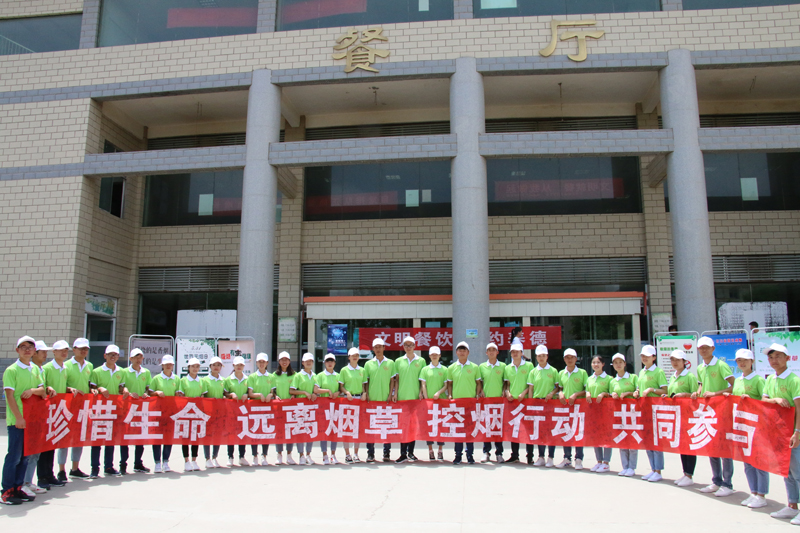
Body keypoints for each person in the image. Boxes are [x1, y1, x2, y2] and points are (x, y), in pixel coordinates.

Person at [1, 336, 45, 506]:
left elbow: (42, 391)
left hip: (31, 420)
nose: (27, 350)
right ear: (17, 350)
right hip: (17, 421)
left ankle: (18, 488)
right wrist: (18, 417)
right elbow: (10, 396)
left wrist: (33, 390)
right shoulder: (12, 370)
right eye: (23, 347)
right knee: (14, 457)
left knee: (25, 457)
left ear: (34, 351)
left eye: (30, 347)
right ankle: (7, 491)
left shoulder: (35, 369)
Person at [724, 348, 768, 508]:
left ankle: (762, 495)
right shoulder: (738, 380)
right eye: (739, 361)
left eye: (745, 360)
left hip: (757, 426)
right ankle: (753, 492)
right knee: (747, 461)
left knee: (759, 462)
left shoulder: (758, 380)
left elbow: (765, 402)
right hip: (743, 426)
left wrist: (752, 400)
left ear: (752, 361)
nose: (742, 363)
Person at [762, 343, 800, 525]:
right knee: (787, 472)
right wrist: (775, 399)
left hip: (794, 434)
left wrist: (797, 432)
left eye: (778, 356)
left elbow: (799, 408)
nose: (774, 360)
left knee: (798, 472)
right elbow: (764, 400)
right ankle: (792, 505)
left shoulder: (794, 380)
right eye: (771, 357)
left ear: (787, 358)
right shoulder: (770, 379)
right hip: (780, 434)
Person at [693, 336, 735, 496]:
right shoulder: (700, 367)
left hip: (722, 411)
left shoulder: (721, 365)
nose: (703, 350)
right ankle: (716, 481)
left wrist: (715, 394)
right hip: (707, 412)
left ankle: (727, 484)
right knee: (712, 447)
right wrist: (697, 392)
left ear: (713, 349)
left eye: (706, 347)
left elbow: (734, 385)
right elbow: (701, 384)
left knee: (724, 448)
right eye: (701, 348)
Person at [88, 344, 127, 478]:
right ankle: (94, 468)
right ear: (105, 356)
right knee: (97, 440)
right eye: (110, 354)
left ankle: (109, 466)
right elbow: (92, 388)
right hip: (99, 409)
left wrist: (125, 390)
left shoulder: (121, 372)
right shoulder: (96, 371)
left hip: (114, 409)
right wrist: (100, 389)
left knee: (110, 439)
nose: (113, 357)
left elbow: (121, 388)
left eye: (115, 355)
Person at [37, 340, 69, 488]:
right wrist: (48, 388)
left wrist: (69, 389)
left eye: (66, 350)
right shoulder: (47, 368)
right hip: (46, 412)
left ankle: (50, 474)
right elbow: (42, 387)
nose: (64, 353)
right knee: (44, 446)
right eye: (61, 350)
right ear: (54, 352)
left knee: (52, 445)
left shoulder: (65, 368)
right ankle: (42, 477)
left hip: (58, 412)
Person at [664, 349, 698, 487]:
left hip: (688, 415)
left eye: (678, 360)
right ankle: (685, 473)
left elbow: (695, 395)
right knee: (682, 444)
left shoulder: (690, 376)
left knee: (689, 444)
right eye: (673, 360)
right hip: (677, 415)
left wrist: (684, 395)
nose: (675, 362)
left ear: (684, 362)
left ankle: (690, 474)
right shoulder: (673, 376)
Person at [61, 337, 93, 479]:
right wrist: (69, 389)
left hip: (82, 407)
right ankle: (61, 470)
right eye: (81, 349)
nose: (83, 351)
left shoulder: (89, 366)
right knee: (64, 439)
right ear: (74, 350)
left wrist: (92, 390)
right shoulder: (66, 365)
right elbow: (62, 385)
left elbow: (89, 383)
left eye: (86, 349)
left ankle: (75, 468)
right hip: (67, 407)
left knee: (79, 439)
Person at [21, 340, 49, 496]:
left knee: (35, 452)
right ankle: (21, 483)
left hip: (39, 416)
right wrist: (36, 390)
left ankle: (28, 482)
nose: (45, 355)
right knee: (25, 452)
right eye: (42, 352)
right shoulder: (24, 369)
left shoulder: (40, 370)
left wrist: (36, 390)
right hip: (26, 416)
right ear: (35, 353)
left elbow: (42, 391)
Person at [634, 345, 667, 482]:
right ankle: (653, 469)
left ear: (654, 357)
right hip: (644, 409)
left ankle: (658, 470)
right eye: (642, 356)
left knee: (656, 440)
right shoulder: (642, 372)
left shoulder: (658, 372)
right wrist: (637, 392)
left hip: (655, 410)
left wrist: (652, 390)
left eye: (647, 356)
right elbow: (639, 388)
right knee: (648, 440)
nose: (644, 358)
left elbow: (664, 390)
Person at [447, 341, 483, 465]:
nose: (462, 352)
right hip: (457, 404)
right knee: (458, 431)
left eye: (464, 350)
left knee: (470, 430)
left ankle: (470, 455)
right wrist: (450, 395)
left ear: (468, 352)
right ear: (456, 352)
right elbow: (449, 384)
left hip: (470, 403)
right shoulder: (451, 368)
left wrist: (477, 395)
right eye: (460, 350)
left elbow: (478, 383)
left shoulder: (474, 367)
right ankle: (458, 455)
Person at [393, 336, 426, 463]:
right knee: (403, 427)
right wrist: (395, 393)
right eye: (406, 345)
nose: (408, 347)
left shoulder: (421, 361)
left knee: (413, 427)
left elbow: (422, 380)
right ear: (403, 347)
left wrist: (421, 392)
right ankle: (403, 454)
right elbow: (396, 380)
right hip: (402, 398)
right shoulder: (398, 361)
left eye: (410, 345)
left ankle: (411, 452)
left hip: (415, 399)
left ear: (414, 346)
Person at [364, 337, 396, 463]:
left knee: (386, 427)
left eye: (380, 347)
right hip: (372, 400)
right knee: (371, 428)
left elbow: (393, 380)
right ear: (373, 349)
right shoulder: (368, 364)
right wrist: (366, 393)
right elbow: (366, 381)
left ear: (384, 348)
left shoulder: (390, 363)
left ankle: (386, 452)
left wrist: (391, 394)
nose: (378, 349)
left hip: (386, 400)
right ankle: (370, 453)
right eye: (375, 347)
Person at [525, 344, 558, 466]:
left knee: (550, 431)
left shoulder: (553, 371)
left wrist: (552, 393)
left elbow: (558, 387)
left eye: (543, 355)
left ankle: (551, 457)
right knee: (539, 431)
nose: (541, 358)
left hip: (549, 403)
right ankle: (541, 456)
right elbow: (531, 389)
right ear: (536, 357)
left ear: (547, 356)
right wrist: (530, 405)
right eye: (539, 356)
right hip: (537, 404)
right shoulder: (533, 372)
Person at [120, 348, 150, 474]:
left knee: (140, 437)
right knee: (125, 437)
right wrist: (127, 392)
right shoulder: (124, 372)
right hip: (127, 408)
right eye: (136, 357)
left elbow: (148, 388)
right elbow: (121, 387)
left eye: (140, 357)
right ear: (130, 359)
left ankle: (138, 463)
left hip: (141, 408)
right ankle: (123, 464)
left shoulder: (146, 372)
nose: (138, 360)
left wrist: (146, 394)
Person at [556, 348, 587, 470]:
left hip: (579, 408)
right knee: (566, 432)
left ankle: (579, 458)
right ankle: (567, 458)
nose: (569, 360)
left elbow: (586, 390)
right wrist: (560, 393)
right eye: (567, 358)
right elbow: (560, 388)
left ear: (576, 359)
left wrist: (576, 394)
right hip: (565, 408)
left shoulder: (582, 373)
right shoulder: (561, 373)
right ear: (564, 359)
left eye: (572, 357)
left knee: (578, 433)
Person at [503, 342, 533, 463]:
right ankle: (514, 455)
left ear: (522, 353)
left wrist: (524, 393)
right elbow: (507, 384)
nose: (515, 354)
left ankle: (530, 455)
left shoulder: (529, 366)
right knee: (514, 428)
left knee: (528, 429)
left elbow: (531, 384)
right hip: (513, 403)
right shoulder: (507, 368)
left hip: (525, 401)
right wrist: (507, 392)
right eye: (513, 352)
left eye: (517, 352)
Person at [150, 354, 180, 473]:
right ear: (162, 365)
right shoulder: (156, 378)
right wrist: (156, 392)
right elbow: (150, 393)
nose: (168, 366)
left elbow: (178, 394)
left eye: (170, 364)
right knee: (157, 438)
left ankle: (166, 461)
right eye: (166, 364)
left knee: (168, 437)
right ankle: (157, 462)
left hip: (171, 412)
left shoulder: (176, 379)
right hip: (158, 412)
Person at [609, 353, 637, 477]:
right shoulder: (612, 381)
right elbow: (610, 394)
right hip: (619, 414)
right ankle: (625, 466)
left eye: (620, 362)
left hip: (632, 413)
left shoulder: (633, 377)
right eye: (615, 363)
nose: (618, 365)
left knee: (633, 439)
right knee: (622, 439)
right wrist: (613, 395)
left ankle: (632, 467)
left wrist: (629, 393)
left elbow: (637, 392)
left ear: (625, 364)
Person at [479, 342, 506, 463]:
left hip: (499, 403)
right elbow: (479, 382)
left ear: (497, 352)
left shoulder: (503, 366)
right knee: (487, 428)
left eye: (493, 350)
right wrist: (481, 391)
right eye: (489, 350)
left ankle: (499, 453)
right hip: (486, 402)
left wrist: (504, 390)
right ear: (486, 353)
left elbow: (506, 382)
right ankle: (486, 452)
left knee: (498, 428)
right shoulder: (482, 367)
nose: (491, 352)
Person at [247, 352, 275, 467]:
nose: (261, 364)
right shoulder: (252, 377)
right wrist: (259, 395)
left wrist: (270, 395)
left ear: (267, 363)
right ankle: (255, 456)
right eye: (259, 362)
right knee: (255, 431)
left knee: (265, 432)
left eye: (263, 362)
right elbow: (250, 393)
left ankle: (264, 455)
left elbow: (273, 392)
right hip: (254, 408)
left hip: (267, 409)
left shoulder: (271, 377)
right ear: (256, 363)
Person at [339, 347, 366, 463]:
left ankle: (356, 454)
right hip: (348, 400)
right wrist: (347, 392)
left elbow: (364, 385)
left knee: (357, 428)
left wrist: (364, 393)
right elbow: (341, 386)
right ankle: (347, 454)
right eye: (353, 355)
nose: (355, 357)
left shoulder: (362, 370)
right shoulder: (344, 370)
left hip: (359, 399)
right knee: (347, 427)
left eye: (357, 355)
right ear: (349, 357)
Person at [177, 357, 204, 472]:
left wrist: (199, 399)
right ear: (188, 367)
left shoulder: (201, 381)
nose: (195, 369)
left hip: (197, 413)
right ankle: (186, 461)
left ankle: (194, 460)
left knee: (195, 437)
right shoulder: (183, 381)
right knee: (185, 437)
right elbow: (181, 396)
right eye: (193, 366)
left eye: (197, 366)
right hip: (186, 413)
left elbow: (203, 396)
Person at [420, 346, 447, 461]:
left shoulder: (444, 369)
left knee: (441, 426)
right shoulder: (425, 369)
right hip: (429, 403)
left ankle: (440, 450)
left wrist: (438, 393)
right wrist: (427, 399)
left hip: (441, 402)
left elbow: (446, 385)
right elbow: (423, 385)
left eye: (436, 354)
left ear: (439, 355)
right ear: (429, 356)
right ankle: (430, 450)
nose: (434, 356)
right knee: (429, 427)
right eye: (432, 354)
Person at [291, 352, 318, 465]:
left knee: (310, 431)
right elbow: (291, 390)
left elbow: (317, 389)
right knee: (301, 431)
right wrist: (304, 392)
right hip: (300, 408)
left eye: (310, 361)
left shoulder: (315, 376)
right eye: (306, 361)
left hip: (311, 408)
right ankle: (301, 455)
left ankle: (308, 454)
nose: (308, 363)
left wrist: (315, 394)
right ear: (302, 362)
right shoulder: (298, 376)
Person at [586, 355, 612, 473]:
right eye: (593, 362)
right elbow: (588, 389)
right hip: (593, 412)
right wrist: (587, 393)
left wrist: (603, 394)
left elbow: (611, 394)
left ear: (603, 364)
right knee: (596, 436)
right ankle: (599, 461)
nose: (595, 365)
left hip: (605, 412)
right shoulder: (589, 379)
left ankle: (606, 462)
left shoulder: (609, 379)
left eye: (598, 362)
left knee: (606, 436)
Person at [314, 353, 340, 465]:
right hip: (323, 408)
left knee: (334, 430)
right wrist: (327, 391)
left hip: (335, 407)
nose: (330, 363)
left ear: (335, 363)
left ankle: (333, 454)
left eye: (332, 361)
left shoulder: (338, 376)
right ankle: (324, 454)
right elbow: (316, 389)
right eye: (327, 361)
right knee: (324, 430)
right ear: (324, 363)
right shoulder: (320, 376)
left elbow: (341, 389)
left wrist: (338, 392)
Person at [224, 355, 250, 467]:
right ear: (233, 366)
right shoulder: (228, 379)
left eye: (241, 365)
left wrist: (247, 394)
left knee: (242, 433)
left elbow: (250, 392)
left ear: (244, 366)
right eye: (237, 365)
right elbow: (224, 393)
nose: (239, 367)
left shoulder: (248, 379)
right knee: (231, 433)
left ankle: (242, 456)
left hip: (243, 411)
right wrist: (230, 394)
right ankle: (230, 456)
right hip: (231, 411)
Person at [273, 351, 297, 465]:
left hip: (290, 407)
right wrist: (274, 396)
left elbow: (296, 389)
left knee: (289, 431)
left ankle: (289, 455)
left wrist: (294, 395)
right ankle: (279, 454)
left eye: (286, 359)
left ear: (289, 361)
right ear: (279, 361)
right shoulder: (274, 375)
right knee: (279, 431)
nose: (284, 362)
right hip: (278, 407)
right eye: (282, 359)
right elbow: (272, 390)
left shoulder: (294, 375)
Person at [202, 356, 225, 468]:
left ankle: (215, 457)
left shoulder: (223, 380)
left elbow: (225, 394)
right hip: (208, 412)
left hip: (219, 412)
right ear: (210, 366)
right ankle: (207, 458)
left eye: (218, 365)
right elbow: (203, 395)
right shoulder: (205, 380)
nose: (216, 367)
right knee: (208, 435)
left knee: (217, 434)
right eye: (214, 365)